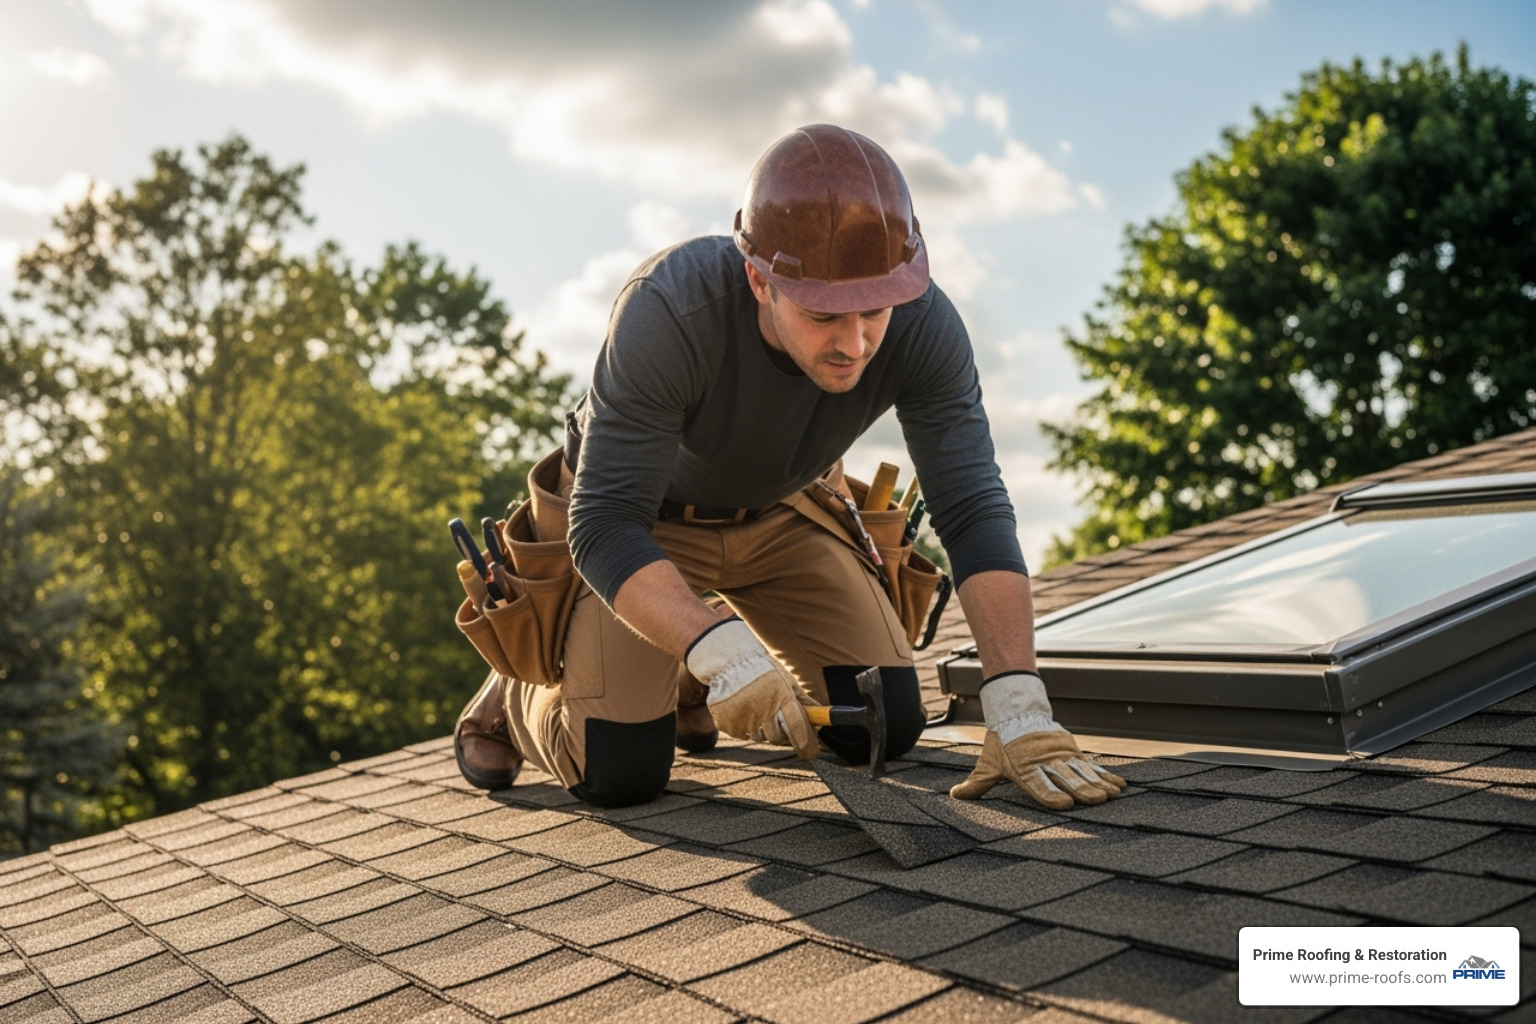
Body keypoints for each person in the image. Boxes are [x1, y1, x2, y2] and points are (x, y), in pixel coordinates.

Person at [455, 124, 1125, 811]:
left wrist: (1017, 702)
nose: (855, 342)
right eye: (823, 314)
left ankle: (685, 661)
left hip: (784, 512)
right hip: (643, 530)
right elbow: (602, 524)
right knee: (620, 774)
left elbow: (973, 506)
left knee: (886, 725)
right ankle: (521, 695)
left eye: (874, 311)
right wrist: (719, 653)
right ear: (758, 279)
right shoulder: (668, 309)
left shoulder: (924, 324)